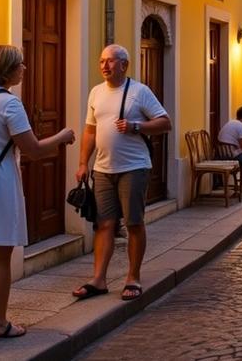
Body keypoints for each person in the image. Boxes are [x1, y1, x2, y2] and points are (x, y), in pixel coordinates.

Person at [0, 45, 76, 338]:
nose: (24, 69)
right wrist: (62, 137)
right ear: (9, 69)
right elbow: (34, 150)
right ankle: (0, 323)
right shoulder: (9, 104)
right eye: (20, 64)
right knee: (0, 256)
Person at [73, 45, 171, 302]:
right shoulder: (96, 93)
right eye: (101, 61)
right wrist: (83, 162)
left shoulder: (140, 92)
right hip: (103, 169)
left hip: (134, 168)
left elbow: (165, 123)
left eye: (110, 61)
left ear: (124, 65)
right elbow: (90, 130)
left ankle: (133, 277)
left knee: (133, 223)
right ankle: (98, 279)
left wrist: (136, 126)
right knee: (103, 224)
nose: (104, 66)